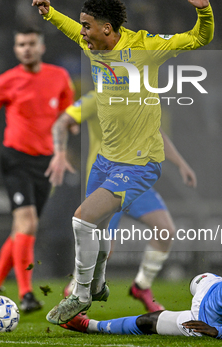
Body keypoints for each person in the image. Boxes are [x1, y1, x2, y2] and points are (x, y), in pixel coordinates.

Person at [32, 0, 214, 324]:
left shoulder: (145, 46)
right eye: (83, 25)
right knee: (98, 231)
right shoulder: (93, 47)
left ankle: (82, 294)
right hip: (104, 160)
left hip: (139, 163)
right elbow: (72, 31)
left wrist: (203, 9)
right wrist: (51, 14)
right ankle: (98, 284)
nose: (83, 33)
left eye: (88, 26)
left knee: (81, 219)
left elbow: (198, 38)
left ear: (107, 28)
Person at [58, 177, 222, 340]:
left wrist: (217, 331)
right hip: (212, 288)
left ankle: (88, 325)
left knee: (149, 322)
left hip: (205, 320)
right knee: (199, 279)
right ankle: (202, 293)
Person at [46, 89, 197, 312]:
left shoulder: (140, 97)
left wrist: (180, 163)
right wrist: (60, 152)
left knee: (165, 230)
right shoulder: (96, 97)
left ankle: (141, 286)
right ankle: (75, 290)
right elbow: (62, 122)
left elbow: (155, 132)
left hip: (135, 178)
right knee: (105, 250)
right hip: (107, 182)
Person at [0, 28, 74, 313]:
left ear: (41, 47)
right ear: (15, 49)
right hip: (15, 158)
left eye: (31, 43)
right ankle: (26, 293)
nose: (26, 49)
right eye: (21, 44)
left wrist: (67, 136)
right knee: (28, 224)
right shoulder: (6, 81)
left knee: (22, 227)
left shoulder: (59, 77)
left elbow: (67, 113)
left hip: (44, 164)